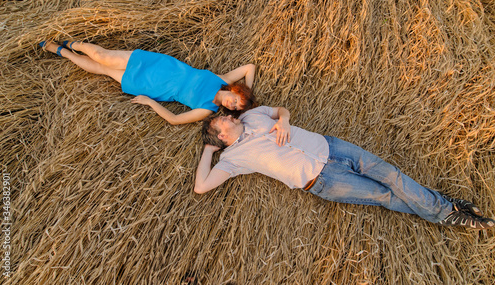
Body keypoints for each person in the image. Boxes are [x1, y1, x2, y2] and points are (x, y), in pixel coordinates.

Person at [196, 106, 495, 229]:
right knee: (385, 196)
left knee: (392, 175)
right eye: (222, 119)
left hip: (331, 147)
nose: (228, 115)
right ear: (220, 135)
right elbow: (202, 186)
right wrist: (208, 152)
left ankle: (447, 211)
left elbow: (281, 111)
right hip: (324, 180)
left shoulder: (252, 115)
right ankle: (450, 209)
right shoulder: (232, 159)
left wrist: (284, 120)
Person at [39, 41, 257, 125]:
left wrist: (149, 102)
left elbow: (175, 119)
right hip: (159, 65)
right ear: (237, 91)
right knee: (102, 55)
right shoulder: (223, 80)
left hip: (151, 87)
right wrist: (250, 97)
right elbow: (250, 67)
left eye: (235, 108)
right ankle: (73, 43)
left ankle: (63, 52)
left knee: (102, 69)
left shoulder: (208, 108)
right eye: (237, 100)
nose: (232, 105)